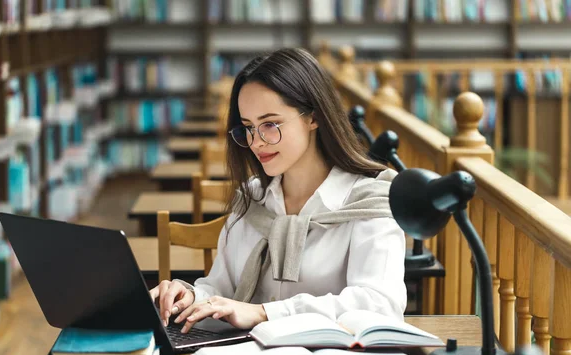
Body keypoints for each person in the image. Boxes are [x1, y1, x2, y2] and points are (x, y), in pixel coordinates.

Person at [149, 47, 406, 334]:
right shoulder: (252, 199)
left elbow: (381, 304)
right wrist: (189, 298)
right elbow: (222, 291)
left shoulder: (368, 200)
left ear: (313, 117)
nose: (256, 142)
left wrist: (263, 313)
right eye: (248, 127)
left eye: (270, 124)